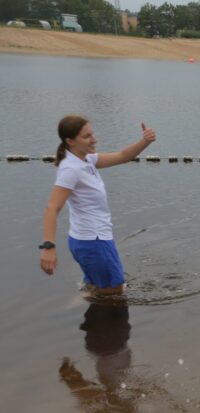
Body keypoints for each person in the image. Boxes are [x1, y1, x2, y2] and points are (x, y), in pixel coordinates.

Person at [40, 115, 157, 295]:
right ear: (70, 141)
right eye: (87, 136)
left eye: (92, 134)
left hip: (90, 240)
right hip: (93, 242)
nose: (94, 139)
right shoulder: (71, 169)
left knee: (99, 290)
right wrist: (49, 247)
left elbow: (123, 156)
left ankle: (81, 312)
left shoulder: (87, 160)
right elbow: (52, 208)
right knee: (114, 292)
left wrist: (144, 141)